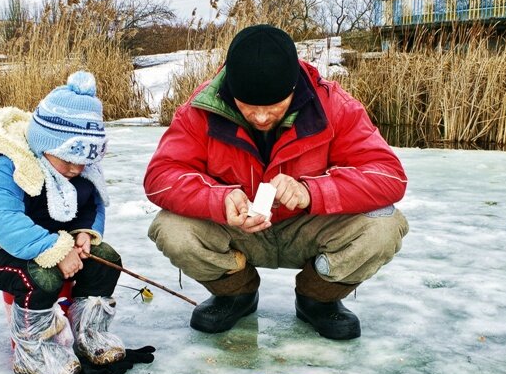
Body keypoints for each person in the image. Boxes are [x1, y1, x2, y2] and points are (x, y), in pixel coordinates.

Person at [144, 24, 409, 341]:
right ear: (231, 91)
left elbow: (388, 174)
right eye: (248, 107)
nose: (259, 118)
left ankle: (318, 298)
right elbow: (160, 177)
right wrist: (217, 199)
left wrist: (312, 192)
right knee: (171, 228)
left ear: (293, 89)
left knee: (385, 224)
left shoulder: (335, 106)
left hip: (310, 227)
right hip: (238, 231)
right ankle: (236, 293)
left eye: (272, 108)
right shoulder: (200, 110)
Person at [0, 71, 131, 374]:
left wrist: (85, 234)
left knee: (105, 258)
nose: (76, 168)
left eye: (83, 161)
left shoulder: (79, 169)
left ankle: (89, 335)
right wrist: (58, 250)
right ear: (44, 144)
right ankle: (34, 351)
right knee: (41, 276)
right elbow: (7, 226)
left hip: (55, 240)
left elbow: (91, 205)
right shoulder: (4, 169)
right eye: (68, 159)